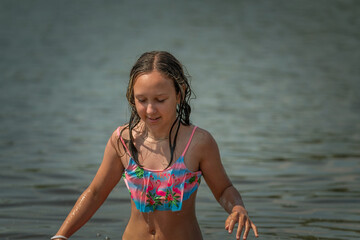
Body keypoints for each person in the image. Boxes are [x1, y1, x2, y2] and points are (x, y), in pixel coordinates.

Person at [51, 51, 259, 240]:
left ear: (179, 94)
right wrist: (61, 236)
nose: (150, 110)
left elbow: (224, 189)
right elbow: (95, 193)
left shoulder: (199, 142)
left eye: (160, 99)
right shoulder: (122, 140)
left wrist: (237, 207)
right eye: (141, 100)